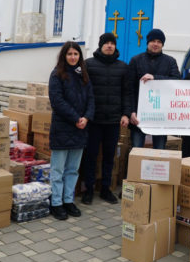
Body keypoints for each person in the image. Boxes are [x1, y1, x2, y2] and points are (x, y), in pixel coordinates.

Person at [82, 33, 131, 205]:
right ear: (100, 45)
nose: (109, 46)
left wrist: (125, 114)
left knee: (109, 157)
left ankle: (105, 189)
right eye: (106, 43)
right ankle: (88, 189)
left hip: (113, 121)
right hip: (93, 120)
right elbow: (83, 91)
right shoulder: (88, 64)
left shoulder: (122, 67)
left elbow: (126, 93)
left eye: (112, 43)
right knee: (91, 156)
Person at [48, 41, 95, 220]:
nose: (73, 57)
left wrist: (86, 117)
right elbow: (57, 101)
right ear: (64, 56)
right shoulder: (57, 75)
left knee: (73, 169)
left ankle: (68, 201)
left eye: (76, 54)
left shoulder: (83, 75)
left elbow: (91, 99)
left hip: (80, 129)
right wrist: (76, 118)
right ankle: (56, 203)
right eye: (70, 54)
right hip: (62, 128)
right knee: (58, 170)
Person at [129, 28, 180, 149]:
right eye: (153, 41)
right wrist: (131, 112)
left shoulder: (170, 61)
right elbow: (129, 89)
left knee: (160, 151)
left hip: (161, 115)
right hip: (139, 115)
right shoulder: (136, 60)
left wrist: (155, 78)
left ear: (162, 44)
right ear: (147, 42)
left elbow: (176, 81)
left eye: (159, 42)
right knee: (136, 150)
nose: (156, 44)